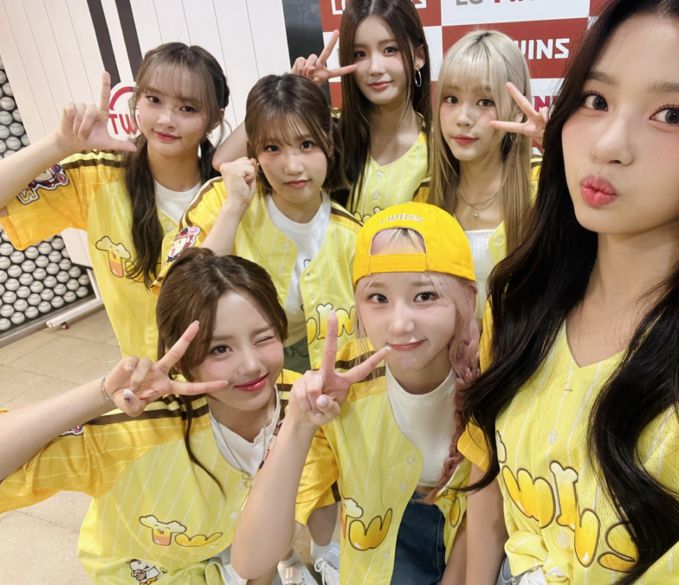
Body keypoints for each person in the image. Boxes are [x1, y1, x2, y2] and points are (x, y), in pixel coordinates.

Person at [459, 0, 679, 583]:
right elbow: (488, 496)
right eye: (596, 100)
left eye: (673, 115)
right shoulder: (521, 301)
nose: (608, 143)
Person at [0, 248, 299, 584]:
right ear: (182, 358)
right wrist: (101, 394)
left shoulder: (300, 401)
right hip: (143, 570)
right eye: (219, 349)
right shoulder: (135, 430)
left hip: (236, 550)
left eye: (263, 338)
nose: (252, 365)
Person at [231, 202, 481, 585]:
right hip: (381, 543)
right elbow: (250, 562)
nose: (399, 324)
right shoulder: (342, 386)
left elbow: (490, 518)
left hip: (478, 542)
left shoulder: (496, 370)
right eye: (378, 298)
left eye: (425, 296)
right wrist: (298, 424)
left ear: (467, 296)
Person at [0, 43, 229, 360]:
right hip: (144, 372)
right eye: (154, 100)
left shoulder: (229, 188)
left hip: (227, 364)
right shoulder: (99, 177)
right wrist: (60, 144)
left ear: (215, 119)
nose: (166, 119)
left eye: (188, 108)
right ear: (137, 100)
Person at [162, 73, 360, 375]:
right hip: (232, 364)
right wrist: (234, 209)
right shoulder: (221, 200)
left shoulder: (352, 236)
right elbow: (180, 297)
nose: (292, 166)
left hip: (318, 364)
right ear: (254, 152)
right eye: (272, 148)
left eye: (306, 144)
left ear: (329, 144)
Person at [215, 0, 431, 222]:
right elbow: (223, 160)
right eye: (359, 54)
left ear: (419, 56)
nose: (375, 68)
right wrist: (289, 94)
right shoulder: (327, 130)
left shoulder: (438, 148)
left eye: (390, 50)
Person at [417, 30, 545, 317]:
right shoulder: (425, 198)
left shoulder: (544, 189)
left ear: (516, 110)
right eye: (451, 99)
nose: (463, 118)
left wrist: (565, 154)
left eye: (485, 101)